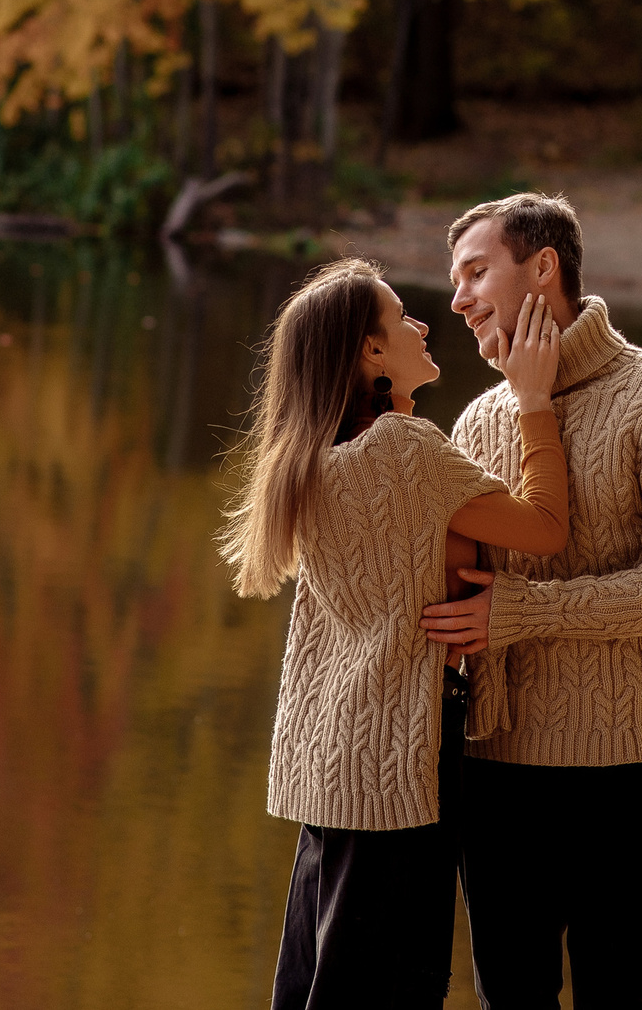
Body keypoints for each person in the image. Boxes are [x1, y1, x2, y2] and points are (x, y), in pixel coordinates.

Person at [221, 256, 570, 1010]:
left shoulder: (310, 459)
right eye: (401, 315)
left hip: (332, 767)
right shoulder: (403, 451)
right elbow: (545, 527)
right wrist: (534, 401)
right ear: (370, 353)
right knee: (391, 986)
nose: (421, 323)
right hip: (396, 769)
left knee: (324, 986)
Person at [424, 194, 642, 1009]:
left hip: (619, 766)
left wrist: (524, 611)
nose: (457, 299)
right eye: (455, 281)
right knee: (509, 997)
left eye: (476, 272)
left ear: (544, 267)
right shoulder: (477, 419)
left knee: (613, 992)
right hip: (493, 765)